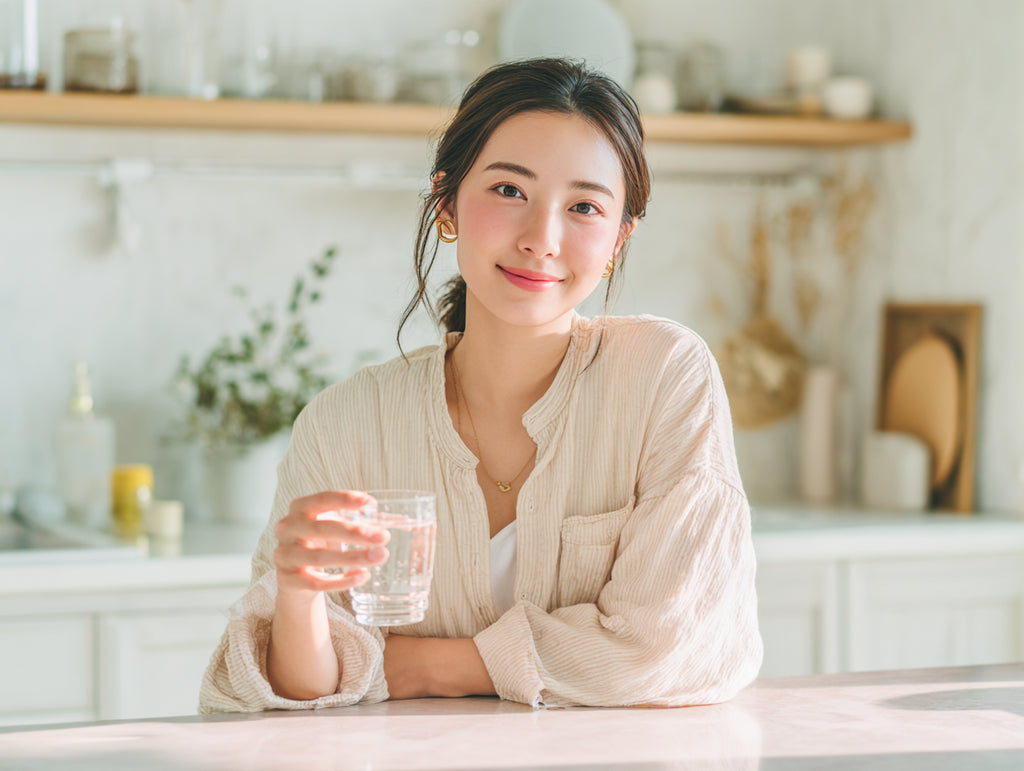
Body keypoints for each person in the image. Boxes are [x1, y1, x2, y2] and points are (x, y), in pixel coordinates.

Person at [199, 57, 762, 713]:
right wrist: (296, 598)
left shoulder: (665, 376)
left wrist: (420, 666)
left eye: (584, 207)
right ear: (447, 204)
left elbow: (675, 648)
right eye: (508, 191)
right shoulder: (346, 423)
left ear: (618, 239)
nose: (542, 240)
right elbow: (285, 697)